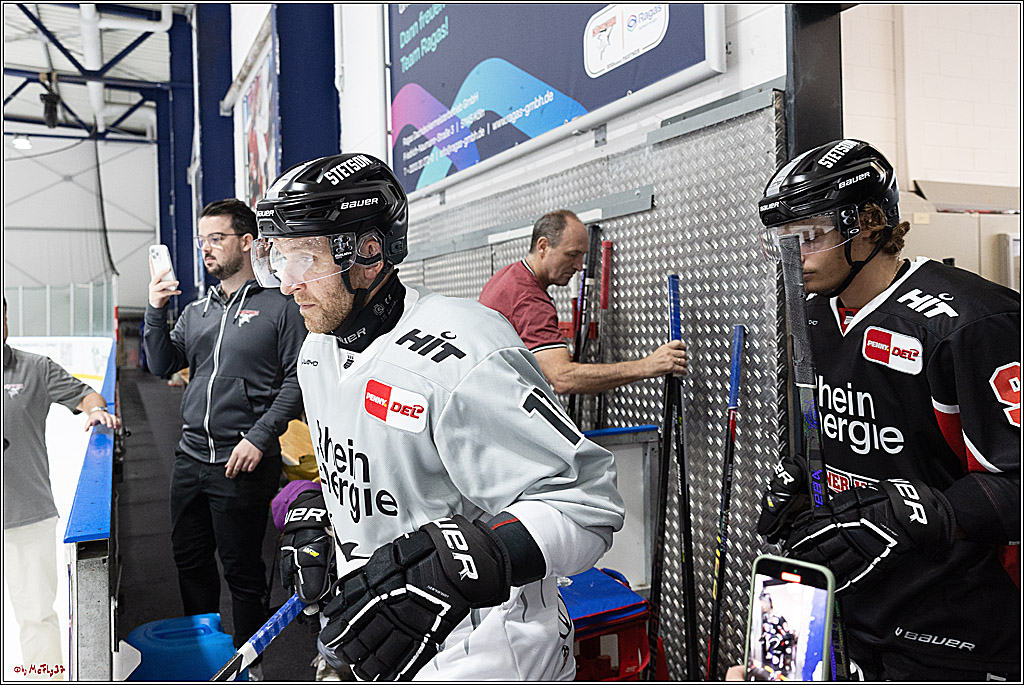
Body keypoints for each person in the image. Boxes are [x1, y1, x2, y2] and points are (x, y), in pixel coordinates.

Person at [251, 153, 625, 681]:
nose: (288, 283)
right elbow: (378, 469)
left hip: (487, 658)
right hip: (376, 644)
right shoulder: (318, 349)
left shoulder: (466, 354)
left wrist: (477, 557)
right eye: (279, 258)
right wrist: (318, 507)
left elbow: (588, 504)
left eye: (305, 259)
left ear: (369, 252)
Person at [755, 139, 1020, 680]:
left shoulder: (972, 322)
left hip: (952, 621)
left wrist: (921, 512)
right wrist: (805, 477)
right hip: (851, 604)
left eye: (809, 236)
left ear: (870, 223)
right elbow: (843, 430)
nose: (793, 257)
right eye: (782, 240)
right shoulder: (812, 315)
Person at [143, 199, 307, 668]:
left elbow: (298, 380)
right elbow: (160, 363)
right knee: (190, 561)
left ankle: (250, 666)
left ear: (247, 242)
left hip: (242, 462)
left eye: (216, 238)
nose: (206, 249)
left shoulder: (281, 308)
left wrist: (260, 436)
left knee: (243, 572)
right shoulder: (197, 311)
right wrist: (156, 308)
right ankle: (203, 658)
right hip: (190, 459)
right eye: (202, 241)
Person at [3, 297, 120, 679]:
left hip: (26, 516)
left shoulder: (35, 368)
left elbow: (87, 395)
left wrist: (96, 410)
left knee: (36, 614)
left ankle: (43, 677)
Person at [478, 209, 687, 395]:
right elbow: (563, 378)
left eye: (582, 256)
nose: (579, 266)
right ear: (543, 246)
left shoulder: (508, 276)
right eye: (572, 255)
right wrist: (648, 366)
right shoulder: (530, 299)